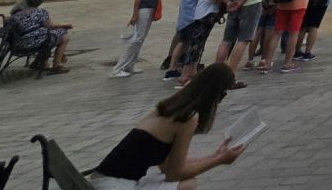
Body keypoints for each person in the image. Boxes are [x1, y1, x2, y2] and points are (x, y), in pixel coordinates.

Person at [89, 63, 245, 189]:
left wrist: (215, 156)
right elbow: (175, 173)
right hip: (113, 185)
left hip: (106, 179)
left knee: (187, 181)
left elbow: (169, 167)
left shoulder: (172, 107)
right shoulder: (188, 117)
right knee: (187, 184)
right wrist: (218, 161)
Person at [113, 0, 170, 76]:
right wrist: (135, 15)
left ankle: (130, 65)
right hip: (144, 8)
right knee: (137, 38)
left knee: (141, 38)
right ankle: (118, 69)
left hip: (153, 7)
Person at [9, 0, 73, 73]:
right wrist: (65, 26)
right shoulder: (40, 12)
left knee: (50, 36)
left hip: (19, 45)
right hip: (36, 43)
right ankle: (56, 66)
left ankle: (39, 62)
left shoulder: (16, 14)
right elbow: (50, 26)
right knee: (64, 36)